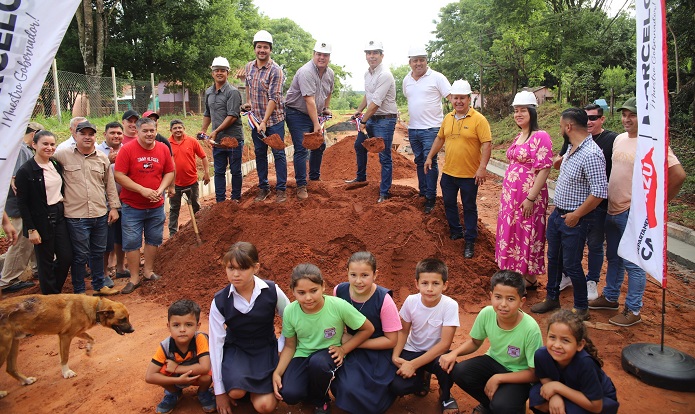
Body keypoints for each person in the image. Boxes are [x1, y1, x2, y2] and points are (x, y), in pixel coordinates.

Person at [589, 98, 686, 326]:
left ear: (643, 118)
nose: (626, 119)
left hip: (632, 214)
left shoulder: (652, 142)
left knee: (633, 262)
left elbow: (678, 175)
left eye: (631, 115)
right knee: (614, 257)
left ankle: (633, 309)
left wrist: (655, 206)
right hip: (612, 209)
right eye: (624, 114)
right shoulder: (620, 140)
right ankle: (611, 297)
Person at [530, 108, 608, 321]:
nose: (559, 129)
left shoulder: (591, 153)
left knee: (572, 263)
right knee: (554, 258)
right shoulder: (573, 148)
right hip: (558, 215)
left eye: (560, 125)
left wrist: (576, 215)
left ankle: (581, 308)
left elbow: (600, 192)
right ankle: (552, 297)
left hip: (576, 219)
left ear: (569, 127)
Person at [272, 263, 374, 414]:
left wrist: (344, 349)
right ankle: (313, 388)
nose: (308, 297)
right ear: (292, 291)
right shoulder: (290, 311)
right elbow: (290, 346)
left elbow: (368, 328)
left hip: (329, 354)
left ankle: (321, 400)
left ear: (323, 287)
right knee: (290, 394)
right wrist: (278, 372)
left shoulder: (337, 305)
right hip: (303, 354)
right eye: (301, 292)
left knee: (318, 364)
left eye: (314, 291)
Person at [441, 270, 543, 414]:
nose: (503, 304)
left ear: (522, 301)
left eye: (511, 299)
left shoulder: (531, 329)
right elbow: (475, 342)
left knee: (503, 407)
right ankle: (489, 404)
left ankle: (510, 407)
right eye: (498, 297)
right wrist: (455, 353)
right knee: (459, 372)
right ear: (491, 296)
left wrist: (498, 378)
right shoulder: (487, 313)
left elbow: (534, 374)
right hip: (493, 361)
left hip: (519, 374)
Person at [209, 242, 291, 414]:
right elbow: (216, 343)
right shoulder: (220, 300)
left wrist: (281, 346)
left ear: (256, 268)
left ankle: (249, 388)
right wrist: (220, 391)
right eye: (231, 268)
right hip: (237, 350)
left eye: (243, 268)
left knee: (265, 407)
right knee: (235, 392)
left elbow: (291, 319)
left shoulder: (272, 290)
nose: (235, 274)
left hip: (265, 349)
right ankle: (240, 387)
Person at [555, 103, 619, 299]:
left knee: (595, 244)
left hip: (596, 205)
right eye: (586, 118)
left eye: (593, 118)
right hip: (574, 205)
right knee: (569, 250)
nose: (589, 121)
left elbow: (601, 187)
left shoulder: (610, 140)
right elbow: (559, 161)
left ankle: (591, 281)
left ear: (602, 119)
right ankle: (567, 277)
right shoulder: (572, 142)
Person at [425, 79, 492, 258]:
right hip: (448, 173)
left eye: (462, 98)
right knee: (449, 203)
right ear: (451, 99)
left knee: (469, 206)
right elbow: (440, 139)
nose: (458, 101)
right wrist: (430, 156)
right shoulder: (448, 118)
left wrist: (482, 167)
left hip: (470, 175)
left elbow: (486, 144)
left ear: (469, 99)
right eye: (455, 98)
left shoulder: (479, 120)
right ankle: (456, 232)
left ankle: (470, 240)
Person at [54, 121, 121, 296]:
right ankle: (80, 290)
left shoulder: (102, 158)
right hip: (76, 215)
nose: (87, 137)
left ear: (95, 137)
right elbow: (42, 163)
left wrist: (113, 207)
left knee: (98, 252)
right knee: (80, 255)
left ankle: (99, 285)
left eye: (90, 134)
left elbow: (110, 185)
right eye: (83, 133)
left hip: (100, 213)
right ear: (75, 135)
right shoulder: (62, 155)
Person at [495, 91, 553, 290]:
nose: (518, 114)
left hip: (529, 197)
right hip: (510, 198)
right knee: (512, 230)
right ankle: (514, 272)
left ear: (532, 112)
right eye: (516, 111)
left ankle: (529, 277)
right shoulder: (519, 135)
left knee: (528, 232)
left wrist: (530, 197)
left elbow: (544, 169)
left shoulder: (541, 136)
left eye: (523, 110)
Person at [331, 252, 402, 414]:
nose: (358, 281)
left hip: (377, 351)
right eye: (353, 275)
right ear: (347, 272)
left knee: (372, 396)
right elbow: (336, 321)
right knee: (343, 386)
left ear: (375, 275)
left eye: (365, 275)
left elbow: (391, 340)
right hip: (352, 351)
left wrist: (354, 341)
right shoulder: (339, 291)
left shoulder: (383, 299)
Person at [389, 258, 460, 414]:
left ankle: (446, 395)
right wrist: (395, 357)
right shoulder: (411, 301)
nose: (429, 289)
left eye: (436, 283)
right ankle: (422, 378)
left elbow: (444, 345)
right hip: (412, 349)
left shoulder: (450, 305)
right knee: (398, 386)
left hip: (436, 353)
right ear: (417, 284)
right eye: (424, 283)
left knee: (449, 366)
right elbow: (403, 331)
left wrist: (413, 365)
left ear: (445, 285)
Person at [114, 117, 175, 294]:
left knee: (154, 238)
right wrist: (141, 190)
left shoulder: (163, 148)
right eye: (145, 131)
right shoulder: (127, 150)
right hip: (133, 206)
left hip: (156, 205)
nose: (149, 134)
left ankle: (148, 271)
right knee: (132, 242)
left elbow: (169, 172)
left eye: (152, 130)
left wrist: (161, 189)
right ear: (137, 131)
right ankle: (134, 277)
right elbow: (119, 175)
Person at [15, 130, 73, 294]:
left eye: (52, 144)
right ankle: (50, 296)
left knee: (66, 256)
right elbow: (23, 203)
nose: (49, 147)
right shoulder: (26, 171)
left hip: (59, 215)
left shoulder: (55, 165)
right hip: (41, 218)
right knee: (45, 261)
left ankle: (53, 289)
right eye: (45, 144)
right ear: (34, 145)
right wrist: (31, 229)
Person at [530, 309, 619, 414]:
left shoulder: (585, 363)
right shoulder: (541, 355)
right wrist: (555, 395)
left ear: (580, 345)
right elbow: (543, 376)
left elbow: (596, 406)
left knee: (571, 411)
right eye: (552, 337)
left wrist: (558, 388)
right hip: (566, 388)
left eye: (565, 340)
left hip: (597, 399)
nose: (557, 345)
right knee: (536, 395)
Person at [348, 40, 399, 204]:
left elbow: (376, 102)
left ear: (381, 55)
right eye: (369, 53)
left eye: (375, 53)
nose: (372, 56)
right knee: (359, 145)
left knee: (384, 156)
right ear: (366, 56)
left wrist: (363, 121)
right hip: (371, 117)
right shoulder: (367, 73)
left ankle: (385, 192)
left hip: (385, 120)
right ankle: (361, 178)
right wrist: (359, 109)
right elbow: (368, 96)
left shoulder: (385, 75)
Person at [402, 44, 451, 213]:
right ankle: (423, 193)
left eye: (421, 60)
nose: (418, 63)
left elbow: (451, 98)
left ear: (426, 61)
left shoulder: (437, 78)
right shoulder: (406, 80)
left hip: (432, 129)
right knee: (419, 161)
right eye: (415, 60)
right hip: (413, 128)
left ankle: (431, 197)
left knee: (430, 162)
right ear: (410, 62)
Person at [145, 299, 216, 414]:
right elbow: (149, 376)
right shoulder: (165, 346)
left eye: (188, 324)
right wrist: (178, 379)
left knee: (208, 374)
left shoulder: (200, 339)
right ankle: (174, 393)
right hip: (178, 376)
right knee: (161, 371)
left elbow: (205, 367)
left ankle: (203, 392)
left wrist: (177, 368)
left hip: (196, 374)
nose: (182, 330)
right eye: (176, 325)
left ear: (198, 326)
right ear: (168, 326)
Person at [242, 30, 288, 203]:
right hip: (256, 121)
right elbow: (247, 85)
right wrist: (248, 102)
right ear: (254, 48)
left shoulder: (276, 71)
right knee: (260, 154)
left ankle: (281, 189)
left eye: (266, 47)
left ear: (270, 50)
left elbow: (274, 98)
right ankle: (264, 188)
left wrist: (264, 122)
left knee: (278, 154)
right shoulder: (248, 67)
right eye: (259, 47)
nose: (262, 50)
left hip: (274, 121)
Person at [284, 41, 335, 200]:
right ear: (314, 54)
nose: (321, 57)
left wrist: (326, 107)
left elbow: (328, 92)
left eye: (325, 55)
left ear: (329, 57)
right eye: (319, 54)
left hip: (315, 113)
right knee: (302, 148)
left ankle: (314, 178)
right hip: (297, 113)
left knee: (319, 145)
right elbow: (309, 100)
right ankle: (301, 185)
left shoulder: (330, 73)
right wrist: (316, 125)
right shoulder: (306, 72)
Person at [0, 122, 41, 294]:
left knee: (26, 242)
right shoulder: (21, 151)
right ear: (34, 135)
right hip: (18, 205)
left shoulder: (15, 148)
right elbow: (17, 183)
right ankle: (8, 280)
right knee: (21, 243)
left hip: (14, 204)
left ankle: (36, 268)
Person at [200, 56, 244, 203]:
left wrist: (216, 130)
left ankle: (235, 199)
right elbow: (207, 113)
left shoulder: (233, 92)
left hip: (233, 139)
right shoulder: (208, 93)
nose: (219, 73)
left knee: (235, 170)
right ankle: (220, 201)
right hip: (217, 141)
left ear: (228, 73)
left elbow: (232, 116)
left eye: (222, 71)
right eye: (216, 70)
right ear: (212, 73)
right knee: (219, 171)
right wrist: (204, 130)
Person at [97, 122, 130, 281]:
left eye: (119, 133)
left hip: (124, 200)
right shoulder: (97, 151)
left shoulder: (127, 149)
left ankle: (120, 267)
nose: (116, 136)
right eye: (112, 133)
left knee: (121, 237)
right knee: (106, 239)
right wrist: (108, 161)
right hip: (104, 203)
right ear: (105, 134)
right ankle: (103, 272)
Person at [167, 119, 210, 236]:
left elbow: (204, 157)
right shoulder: (167, 144)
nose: (178, 130)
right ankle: (172, 233)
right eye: (175, 128)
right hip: (174, 184)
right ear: (171, 130)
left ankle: (199, 227)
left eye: (180, 128)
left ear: (184, 129)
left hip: (191, 181)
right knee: (174, 208)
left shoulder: (192, 141)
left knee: (196, 205)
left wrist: (206, 173)